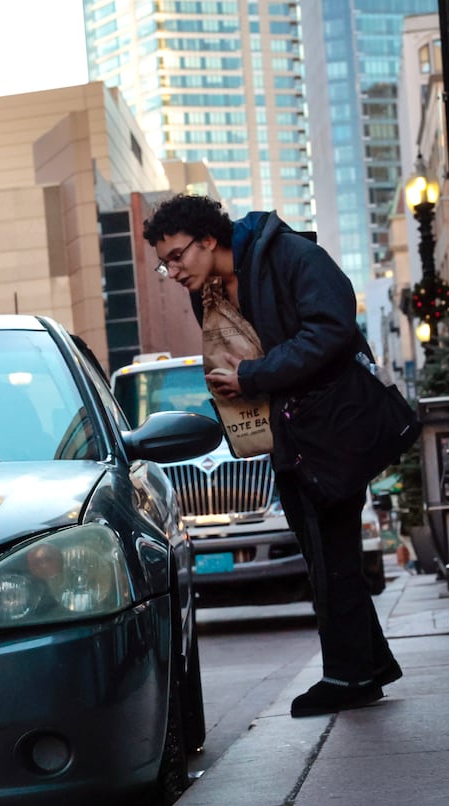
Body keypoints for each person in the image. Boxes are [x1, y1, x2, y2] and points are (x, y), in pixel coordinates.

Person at [143, 194, 399, 717]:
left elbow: (331, 328)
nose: (171, 271)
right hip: (290, 435)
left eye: (176, 256)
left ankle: (348, 676)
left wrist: (253, 377)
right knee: (323, 552)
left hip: (333, 426)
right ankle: (368, 667)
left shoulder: (291, 256)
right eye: (164, 262)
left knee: (332, 553)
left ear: (208, 240)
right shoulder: (209, 289)